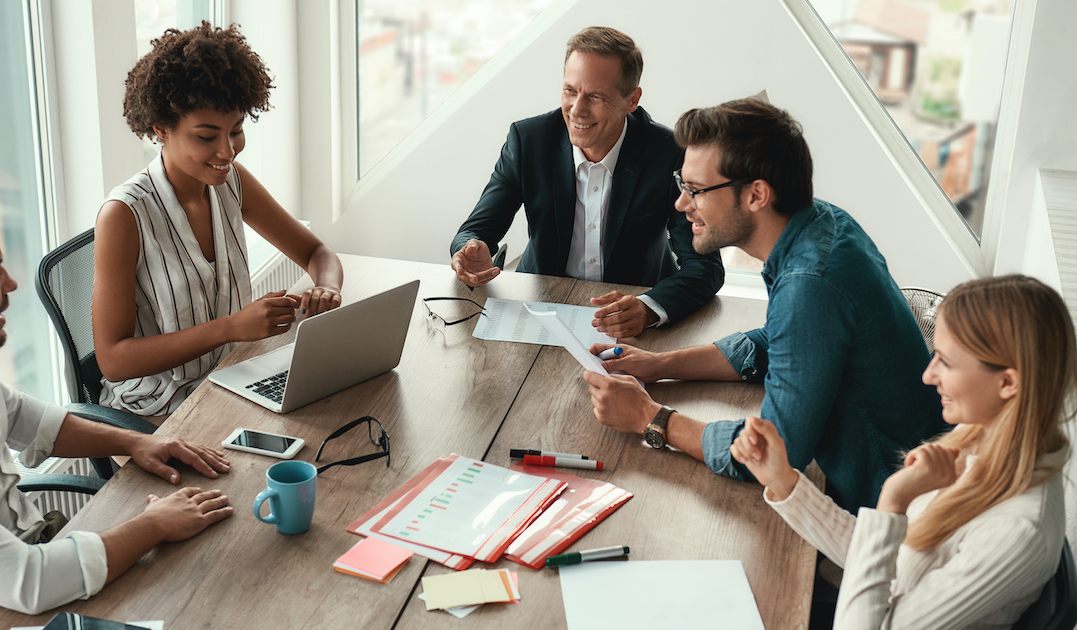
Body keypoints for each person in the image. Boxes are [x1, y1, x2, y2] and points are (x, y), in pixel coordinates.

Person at [0, 191, 234, 630]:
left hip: (39, 560)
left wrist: (138, 441)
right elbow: (30, 581)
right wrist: (154, 525)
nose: (10, 284)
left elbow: (29, 419)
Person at [584, 98, 946, 513]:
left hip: (886, 512)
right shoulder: (824, 223)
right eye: (681, 185)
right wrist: (660, 365)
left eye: (696, 190)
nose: (682, 204)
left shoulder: (809, 285)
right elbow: (780, 342)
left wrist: (651, 418)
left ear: (757, 194)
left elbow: (770, 453)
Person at [732, 275, 1072, 628]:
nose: (929, 374)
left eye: (946, 361)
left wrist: (894, 500)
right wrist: (784, 482)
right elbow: (882, 560)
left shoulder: (1015, 533)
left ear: (1007, 383)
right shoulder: (978, 443)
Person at [94, 22, 344, 419]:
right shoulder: (125, 214)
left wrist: (326, 289)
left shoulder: (231, 183)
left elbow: (316, 251)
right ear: (162, 128)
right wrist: (231, 328)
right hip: (159, 403)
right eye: (207, 136)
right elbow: (113, 360)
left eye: (237, 131)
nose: (227, 151)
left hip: (233, 374)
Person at [450, 26, 723, 339]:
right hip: (540, 307)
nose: (577, 110)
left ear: (632, 100)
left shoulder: (669, 153)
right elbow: (474, 231)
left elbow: (705, 268)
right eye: (570, 91)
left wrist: (648, 307)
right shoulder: (528, 141)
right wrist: (471, 251)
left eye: (595, 96)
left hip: (631, 313)